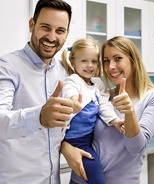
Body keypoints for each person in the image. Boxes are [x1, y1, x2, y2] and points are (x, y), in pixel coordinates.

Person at [0, 0, 84, 183]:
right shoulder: (6, 66)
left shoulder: (63, 71)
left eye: (60, 31)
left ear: (67, 33)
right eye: (45, 27)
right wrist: (39, 117)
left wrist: (66, 146)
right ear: (32, 25)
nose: (52, 37)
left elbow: (58, 131)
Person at [61, 36, 154, 184]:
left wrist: (129, 112)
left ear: (133, 61)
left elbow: (135, 147)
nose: (111, 66)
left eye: (118, 58)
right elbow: (74, 130)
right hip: (80, 180)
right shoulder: (102, 95)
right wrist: (65, 148)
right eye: (106, 60)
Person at [61, 36, 124, 184]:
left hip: (87, 141)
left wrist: (114, 120)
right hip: (73, 141)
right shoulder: (73, 79)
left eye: (94, 61)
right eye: (84, 61)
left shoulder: (97, 84)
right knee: (97, 179)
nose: (89, 66)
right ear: (73, 61)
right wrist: (74, 102)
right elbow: (70, 91)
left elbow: (104, 104)